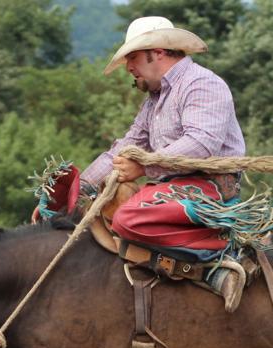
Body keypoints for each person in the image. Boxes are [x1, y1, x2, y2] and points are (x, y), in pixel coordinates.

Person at [78, 16, 247, 310]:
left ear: (155, 52)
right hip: (174, 189)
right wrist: (76, 190)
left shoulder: (203, 84)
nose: (129, 67)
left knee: (126, 218)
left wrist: (145, 168)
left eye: (132, 57)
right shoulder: (154, 101)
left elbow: (201, 145)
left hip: (210, 190)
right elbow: (124, 147)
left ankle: (220, 258)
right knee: (102, 211)